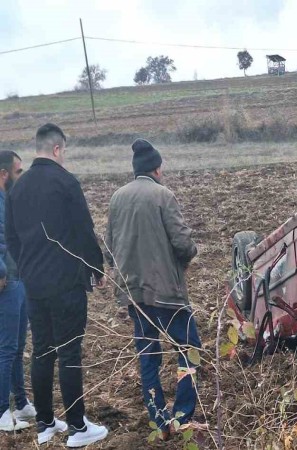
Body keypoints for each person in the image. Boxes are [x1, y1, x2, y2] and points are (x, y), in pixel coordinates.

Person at [6, 124, 108, 447]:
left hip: (33, 286)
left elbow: (10, 238)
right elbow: (84, 229)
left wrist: (26, 269)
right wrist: (97, 268)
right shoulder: (66, 182)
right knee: (69, 352)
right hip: (66, 284)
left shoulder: (17, 189)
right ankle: (78, 428)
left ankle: (45, 425)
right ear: (56, 149)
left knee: (42, 352)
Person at [106, 139, 200, 437]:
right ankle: (183, 416)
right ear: (157, 169)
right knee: (190, 349)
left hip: (134, 293)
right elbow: (183, 243)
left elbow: (109, 248)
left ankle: (159, 420)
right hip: (166, 294)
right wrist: (185, 261)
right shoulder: (164, 196)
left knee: (147, 353)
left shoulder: (117, 198)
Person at [0, 151, 36, 432]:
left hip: (19, 277)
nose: (21, 176)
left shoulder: (7, 199)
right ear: (3, 174)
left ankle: (21, 403)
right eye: (18, 171)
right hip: (6, 281)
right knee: (7, 347)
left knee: (18, 345)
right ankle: (2, 412)